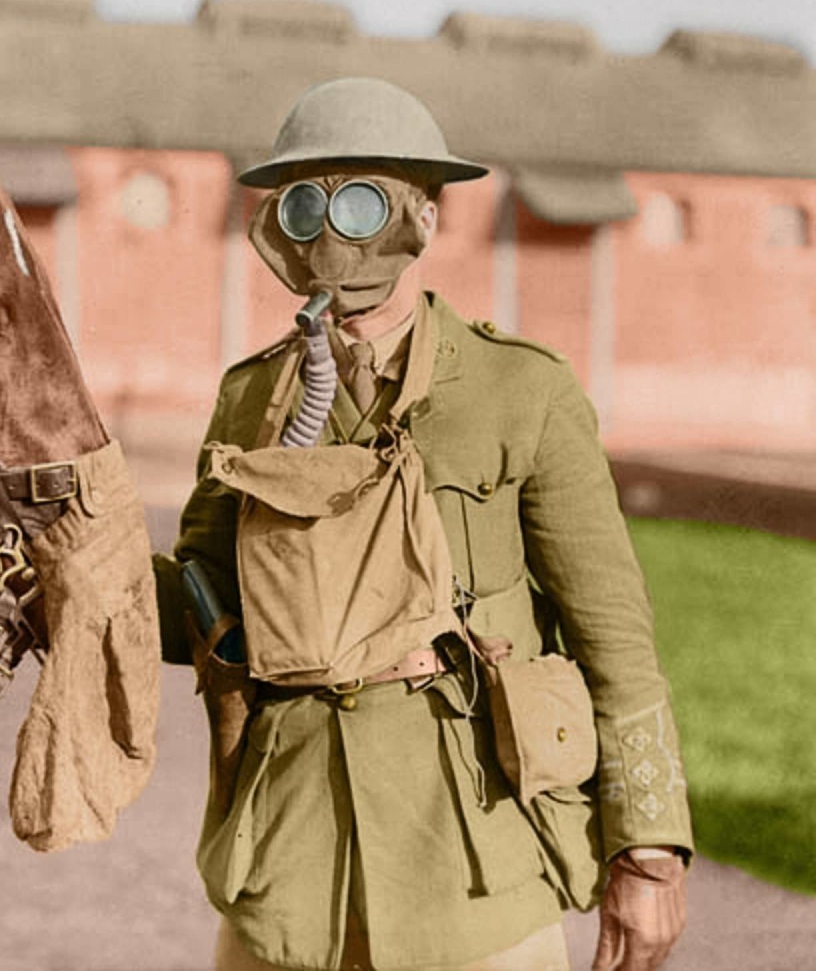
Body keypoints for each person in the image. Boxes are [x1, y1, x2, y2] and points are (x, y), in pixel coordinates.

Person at [152, 78, 692, 971]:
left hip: (474, 860)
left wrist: (649, 847)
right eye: (303, 207)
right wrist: (60, 571)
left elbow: (615, 635)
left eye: (361, 203)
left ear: (426, 218)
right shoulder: (252, 398)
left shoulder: (523, 391)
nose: (332, 236)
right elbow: (206, 603)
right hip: (294, 864)